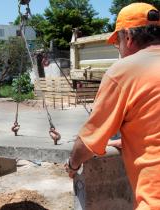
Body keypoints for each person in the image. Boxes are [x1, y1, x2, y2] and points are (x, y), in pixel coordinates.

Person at [65, 3, 160, 209]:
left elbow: (88, 142)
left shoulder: (124, 71)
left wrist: (72, 164)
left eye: (117, 43)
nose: (120, 49)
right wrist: (129, 141)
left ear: (127, 37)